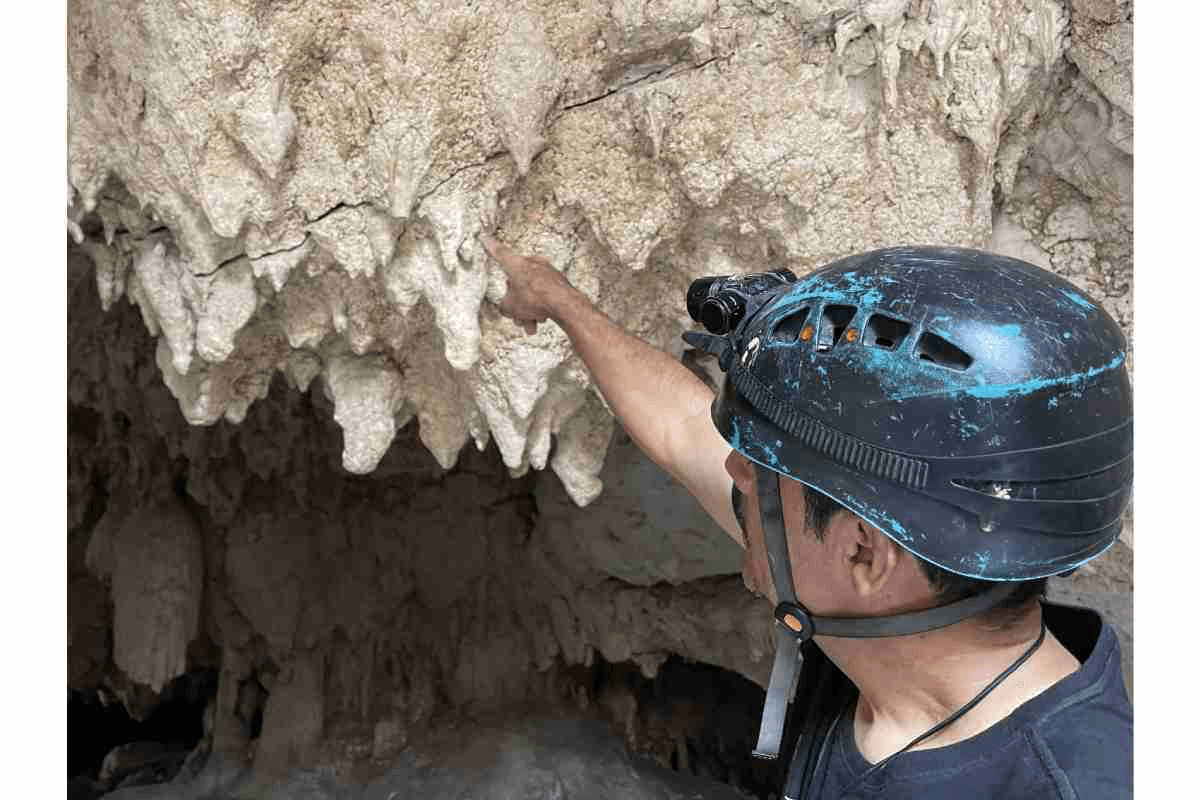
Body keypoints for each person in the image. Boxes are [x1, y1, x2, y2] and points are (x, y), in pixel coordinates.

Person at [479, 233, 1133, 799]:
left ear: (864, 552)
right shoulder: (886, 619)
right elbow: (684, 430)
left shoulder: (1074, 784)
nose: (735, 471)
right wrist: (559, 301)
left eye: (763, 476)